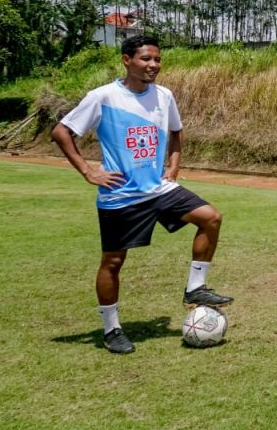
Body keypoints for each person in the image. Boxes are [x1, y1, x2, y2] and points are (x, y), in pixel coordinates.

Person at [52, 35, 232, 354]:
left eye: (157, 60)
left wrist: (174, 165)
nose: (153, 65)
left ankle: (195, 288)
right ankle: (112, 330)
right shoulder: (104, 96)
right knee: (113, 261)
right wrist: (88, 170)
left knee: (211, 218)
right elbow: (61, 131)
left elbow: (176, 131)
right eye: (146, 59)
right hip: (121, 196)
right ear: (126, 59)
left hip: (159, 189)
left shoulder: (164, 96)